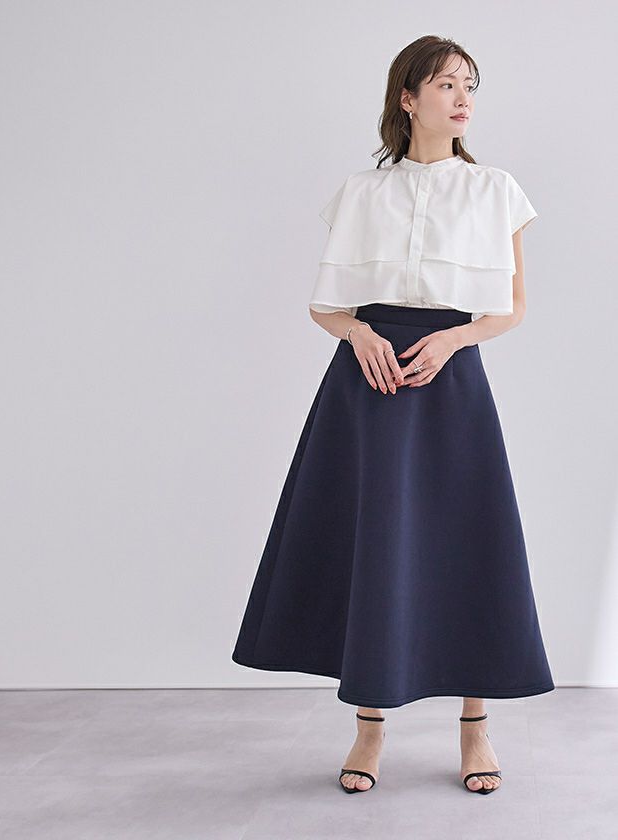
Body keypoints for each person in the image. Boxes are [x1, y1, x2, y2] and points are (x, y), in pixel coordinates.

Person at [231, 34, 554, 797]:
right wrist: (358, 334)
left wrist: (454, 340)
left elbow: (511, 308)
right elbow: (326, 305)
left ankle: (475, 728)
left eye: (469, 85)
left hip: (450, 379)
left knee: (467, 542)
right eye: (445, 84)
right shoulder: (361, 193)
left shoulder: (496, 190)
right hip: (368, 384)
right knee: (377, 546)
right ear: (407, 98)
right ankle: (369, 728)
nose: (463, 98)